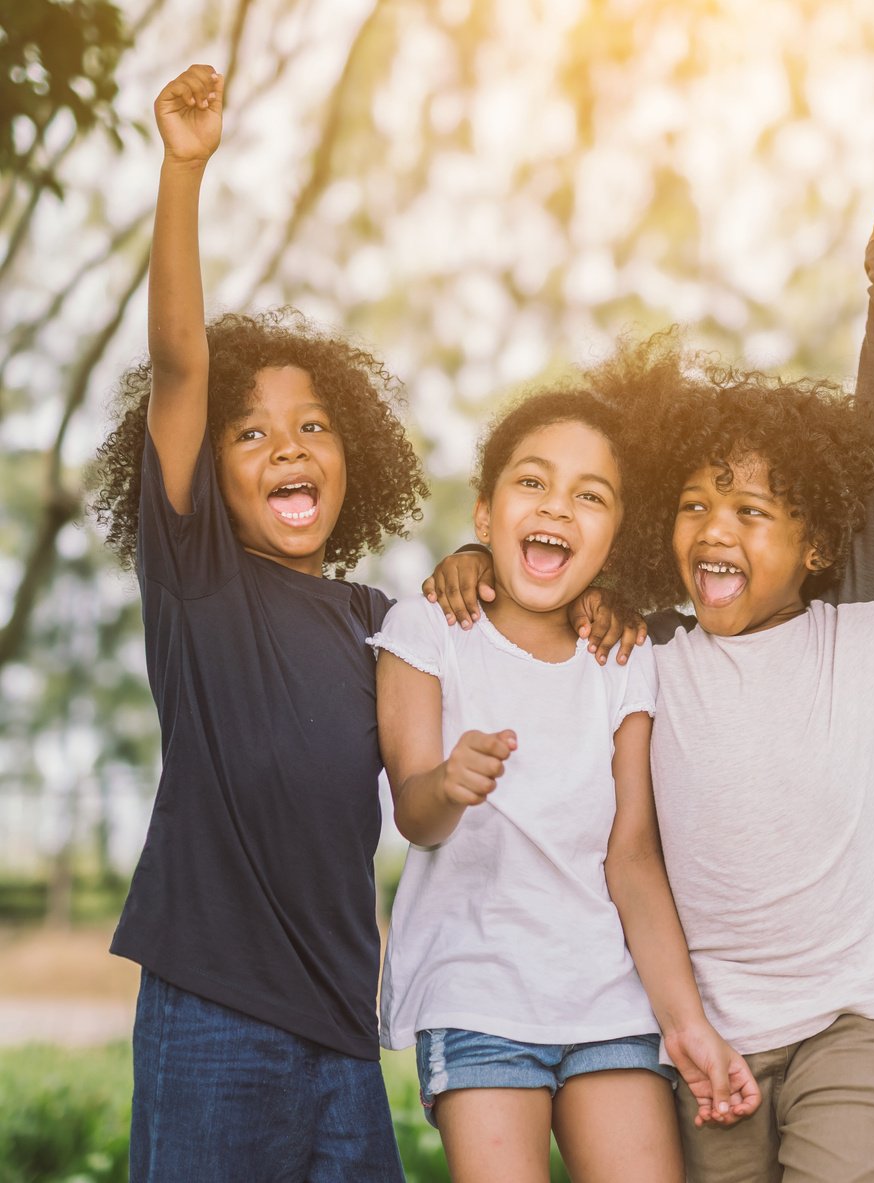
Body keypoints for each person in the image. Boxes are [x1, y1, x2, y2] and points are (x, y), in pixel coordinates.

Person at [427, 200, 874, 1182]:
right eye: (692, 505)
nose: (714, 528)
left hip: (854, 1013)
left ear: (814, 541)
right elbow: (550, 564)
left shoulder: (856, 626)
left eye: (750, 510)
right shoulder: (646, 647)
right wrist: (474, 558)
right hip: (708, 1032)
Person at [90, 65, 427, 1181]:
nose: (288, 445)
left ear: (353, 456)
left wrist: (480, 566)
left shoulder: (384, 623)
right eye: (250, 433)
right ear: (210, 471)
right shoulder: (198, 583)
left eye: (314, 425)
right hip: (212, 1015)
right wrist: (184, 171)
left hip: (342, 1028)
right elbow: (181, 359)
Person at [370, 384, 759, 1183]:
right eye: (532, 481)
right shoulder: (426, 629)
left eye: (590, 495)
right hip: (475, 994)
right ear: (484, 515)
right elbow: (415, 814)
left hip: (608, 1000)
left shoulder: (622, 657)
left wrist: (686, 1024)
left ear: (614, 538)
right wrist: (447, 782)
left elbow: (632, 858)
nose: (556, 506)